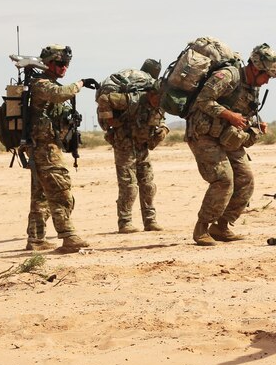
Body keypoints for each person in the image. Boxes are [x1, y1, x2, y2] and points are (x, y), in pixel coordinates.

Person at [185, 43, 276, 246]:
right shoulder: (228, 76)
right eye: (266, 76)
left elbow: (244, 112)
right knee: (223, 179)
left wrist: (255, 123)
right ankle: (202, 228)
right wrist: (229, 115)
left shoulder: (252, 87)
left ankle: (221, 227)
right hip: (203, 134)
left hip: (227, 136)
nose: (266, 82)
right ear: (256, 68)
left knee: (245, 179)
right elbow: (203, 100)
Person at [25, 44, 96, 254]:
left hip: (44, 147)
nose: (64, 67)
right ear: (48, 64)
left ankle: (36, 239)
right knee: (60, 191)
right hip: (45, 149)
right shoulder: (41, 84)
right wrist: (81, 83)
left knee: (40, 196)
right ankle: (68, 236)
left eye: (66, 64)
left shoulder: (43, 83)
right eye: (59, 63)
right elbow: (59, 94)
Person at [97, 59, 170, 233]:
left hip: (142, 144)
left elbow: (162, 119)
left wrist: (164, 130)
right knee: (129, 184)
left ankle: (150, 220)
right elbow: (104, 99)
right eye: (157, 98)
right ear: (151, 93)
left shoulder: (160, 103)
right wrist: (110, 121)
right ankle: (125, 222)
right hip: (124, 144)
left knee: (148, 184)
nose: (159, 102)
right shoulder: (131, 99)